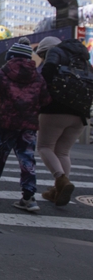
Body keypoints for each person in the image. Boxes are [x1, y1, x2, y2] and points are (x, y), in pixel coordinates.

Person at [0, 38, 51, 212]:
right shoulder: (38, 77)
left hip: (5, 122)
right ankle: (29, 197)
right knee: (27, 159)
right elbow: (46, 100)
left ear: (11, 57)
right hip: (29, 125)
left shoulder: (1, 73)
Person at [36, 36, 90, 206]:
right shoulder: (83, 59)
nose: (43, 59)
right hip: (81, 112)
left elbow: (46, 76)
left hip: (56, 109)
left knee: (44, 147)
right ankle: (57, 191)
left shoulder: (54, 52)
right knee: (63, 152)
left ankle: (61, 180)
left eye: (42, 55)